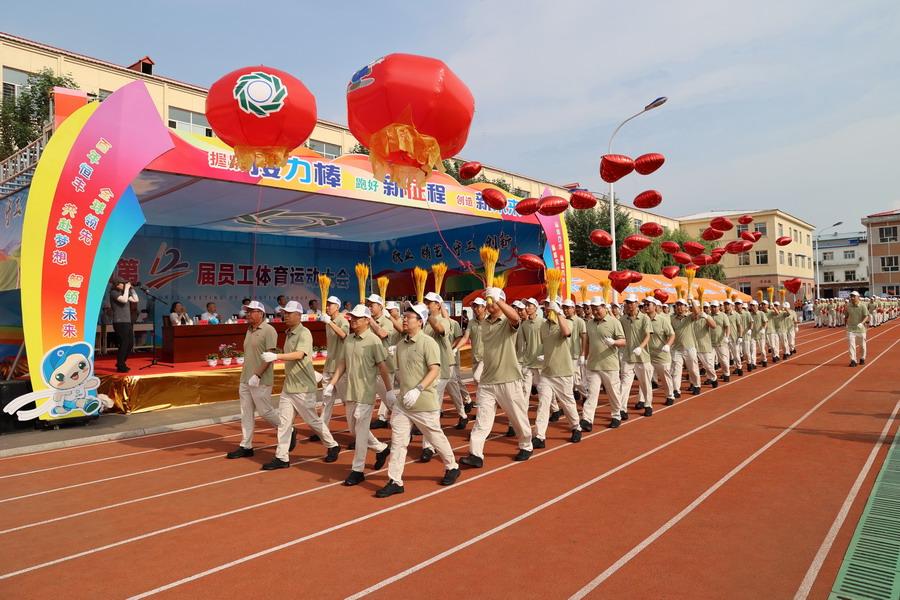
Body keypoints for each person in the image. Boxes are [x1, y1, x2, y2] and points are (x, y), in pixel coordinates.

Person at [377, 303, 461, 497]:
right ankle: (395, 480)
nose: (404, 319)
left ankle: (452, 466)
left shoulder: (428, 343)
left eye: (409, 317)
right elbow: (397, 371)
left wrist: (418, 389)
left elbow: (435, 369)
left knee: (435, 437)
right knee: (398, 442)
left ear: (420, 322)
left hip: (423, 401)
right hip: (403, 404)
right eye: (404, 316)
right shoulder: (401, 344)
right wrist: (393, 391)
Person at [259, 301, 340, 470]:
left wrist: (276, 357)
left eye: (289, 313)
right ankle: (281, 457)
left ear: (298, 315)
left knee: (312, 421)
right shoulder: (289, 333)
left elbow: (299, 354)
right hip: (289, 386)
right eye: (284, 313)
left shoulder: (304, 333)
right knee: (284, 423)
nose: (285, 315)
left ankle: (332, 445)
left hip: (303, 387)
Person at [460, 287, 535, 467]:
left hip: (508, 378)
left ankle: (526, 444)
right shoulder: (484, 323)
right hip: (487, 380)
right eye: (488, 301)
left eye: (491, 301)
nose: (489, 304)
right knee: (482, 419)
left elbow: (516, 318)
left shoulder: (507, 322)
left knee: (517, 416)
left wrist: (498, 299)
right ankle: (476, 454)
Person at [324, 304, 394, 487]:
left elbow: (383, 367)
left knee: (361, 434)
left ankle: (358, 470)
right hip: (350, 392)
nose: (352, 320)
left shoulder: (373, 341)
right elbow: (342, 363)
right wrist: (331, 385)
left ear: (366, 320)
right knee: (354, 430)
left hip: (366, 393)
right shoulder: (348, 340)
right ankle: (381, 448)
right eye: (351, 317)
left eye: (356, 318)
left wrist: (389, 391)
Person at [225, 301, 284, 459]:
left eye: (251, 311)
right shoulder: (249, 330)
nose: (248, 314)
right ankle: (246, 445)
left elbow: (270, 356)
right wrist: (249, 375)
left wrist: (257, 374)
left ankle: (287, 429)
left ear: (261, 313)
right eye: (247, 311)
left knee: (265, 412)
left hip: (261, 379)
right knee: (246, 413)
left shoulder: (269, 330)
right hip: (245, 378)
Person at [533, 301, 582, 447]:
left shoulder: (567, 322)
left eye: (549, 306)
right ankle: (540, 436)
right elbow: (547, 344)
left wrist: (559, 313)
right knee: (543, 404)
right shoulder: (543, 325)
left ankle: (576, 427)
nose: (547, 308)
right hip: (547, 372)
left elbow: (566, 333)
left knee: (568, 403)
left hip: (563, 372)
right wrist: (543, 355)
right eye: (545, 306)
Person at [582, 298, 626, 429]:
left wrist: (614, 342)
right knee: (592, 393)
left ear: (604, 307)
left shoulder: (614, 322)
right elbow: (588, 342)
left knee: (613, 392)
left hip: (609, 365)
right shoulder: (589, 323)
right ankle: (587, 419)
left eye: (597, 309)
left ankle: (616, 415)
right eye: (593, 309)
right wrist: (584, 358)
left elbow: (623, 341)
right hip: (593, 365)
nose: (595, 312)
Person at [619, 293, 653, 417]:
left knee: (645, 383)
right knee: (625, 384)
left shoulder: (644, 318)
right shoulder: (622, 319)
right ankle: (622, 409)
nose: (630, 305)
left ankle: (648, 405)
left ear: (637, 303)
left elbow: (648, 335)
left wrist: (640, 347)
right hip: (627, 356)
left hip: (642, 357)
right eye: (627, 302)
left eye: (632, 302)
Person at [319, 296, 349, 430]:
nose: (327, 307)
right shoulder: (328, 322)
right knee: (326, 401)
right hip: (329, 365)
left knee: (347, 402)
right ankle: (322, 429)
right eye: (327, 305)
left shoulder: (343, 321)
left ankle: (354, 430)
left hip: (340, 368)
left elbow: (343, 335)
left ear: (337, 307)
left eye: (330, 305)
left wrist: (330, 323)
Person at [645, 298, 676, 406]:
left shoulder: (663, 320)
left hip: (661, 355)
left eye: (648, 304)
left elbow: (672, 334)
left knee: (665, 377)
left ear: (655, 306)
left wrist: (668, 345)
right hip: (647, 355)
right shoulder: (643, 320)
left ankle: (670, 395)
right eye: (644, 305)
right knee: (645, 379)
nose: (645, 307)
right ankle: (643, 400)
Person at [670, 299, 703, 396]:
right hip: (677, 348)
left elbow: (697, 313)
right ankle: (676, 390)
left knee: (693, 369)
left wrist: (692, 300)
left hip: (689, 348)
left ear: (686, 307)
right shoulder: (672, 319)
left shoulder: (689, 317)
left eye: (681, 305)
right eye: (677, 305)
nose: (679, 307)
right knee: (676, 370)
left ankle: (696, 385)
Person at [109, 280, 139, 373]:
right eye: (123, 283)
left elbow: (135, 300)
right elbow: (124, 300)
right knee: (124, 343)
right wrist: (126, 289)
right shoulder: (114, 293)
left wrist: (132, 290)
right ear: (117, 285)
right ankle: (121, 365)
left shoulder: (124, 293)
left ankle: (121, 363)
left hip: (127, 322)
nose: (124, 285)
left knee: (130, 343)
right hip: (119, 322)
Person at [562, 299, 588, 403]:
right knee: (565, 380)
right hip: (565, 355)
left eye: (568, 308)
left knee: (577, 380)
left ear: (573, 309)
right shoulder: (563, 320)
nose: (566, 310)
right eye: (564, 308)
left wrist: (583, 354)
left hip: (575, 355)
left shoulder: (579, 321)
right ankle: (568, 402)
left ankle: (586, 395)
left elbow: (584, 338)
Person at [845, 291, 869, 367]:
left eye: (854, 296)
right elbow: (846, 316)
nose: (852, 298)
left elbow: (866, 316)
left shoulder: (863, 306)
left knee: (862, 346)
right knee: (851, 345)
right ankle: (853, 360)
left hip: (861, 329)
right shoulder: (848, 307)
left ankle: (862, 358)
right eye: (851, 296)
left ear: (858, 297)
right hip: (851, 329)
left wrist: (862, 323)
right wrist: (845, 325)